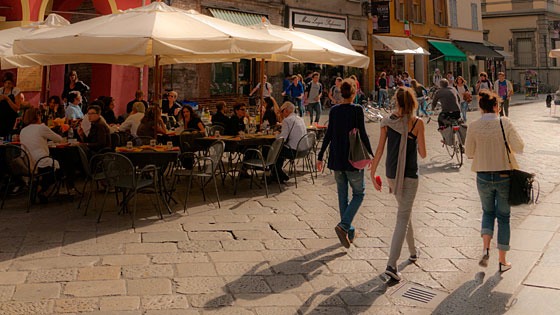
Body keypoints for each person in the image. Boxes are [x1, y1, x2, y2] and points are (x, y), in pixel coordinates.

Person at [369, 87, 427, 281]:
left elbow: (379, 149)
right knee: (403, 216)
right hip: (409, 174)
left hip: (391, 174)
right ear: (412, 102)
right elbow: (423, 153)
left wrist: (372, 172)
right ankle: (391, 265)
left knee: (404, 210)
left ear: (396, 101)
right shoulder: (417, 123)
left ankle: (412, 251)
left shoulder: (386, 121)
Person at [465, 90, 524, 273]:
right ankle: (502, 260)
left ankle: (485, 249)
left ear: (481, 107)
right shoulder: (504, 123)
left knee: (488, 212)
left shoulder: (474, 125)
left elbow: (468, 152)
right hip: (504, 175)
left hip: (482, 175)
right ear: (497, 106)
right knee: (504, 218)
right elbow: (519, 147)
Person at [317, 79, 374, 248]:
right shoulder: (357, 110)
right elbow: (363, 133)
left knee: (342, 195)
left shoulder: (334, 111)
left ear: (340, 93)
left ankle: (348, 230)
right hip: (353, 159)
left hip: (336, 159)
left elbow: (328, 135)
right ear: (354, 93)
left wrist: (320, 156)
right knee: (359, 194)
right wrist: (370, 154)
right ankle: (344, 226)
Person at [19, 107, 63, 203]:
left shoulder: (23, 131)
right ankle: (42, 188)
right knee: (60, 169)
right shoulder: (41, 128)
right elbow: (59, 139)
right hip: (41, 160)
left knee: (49, 166)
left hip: (28, 162)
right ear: (38, 116)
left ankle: (39, 185)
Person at [275, 101, 308, 182]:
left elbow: (282, 139)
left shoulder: (287, 120)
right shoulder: (300, 119)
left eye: (282, 112)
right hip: (304, 150)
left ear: (285, 111)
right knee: (279, 150)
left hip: (293, 151)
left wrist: (276, 135)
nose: (282, 114)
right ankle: (277, 173)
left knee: (272, 150)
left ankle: (277, 173)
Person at [0, 72, 21, 138]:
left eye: (9, 83)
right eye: (5, 83)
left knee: (9, 137)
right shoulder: (0, 90)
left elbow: (17, 108)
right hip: (1, 119)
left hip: (11, 119)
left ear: (12, 83)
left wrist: (7, 99)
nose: (7, 85)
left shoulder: (16, 91)